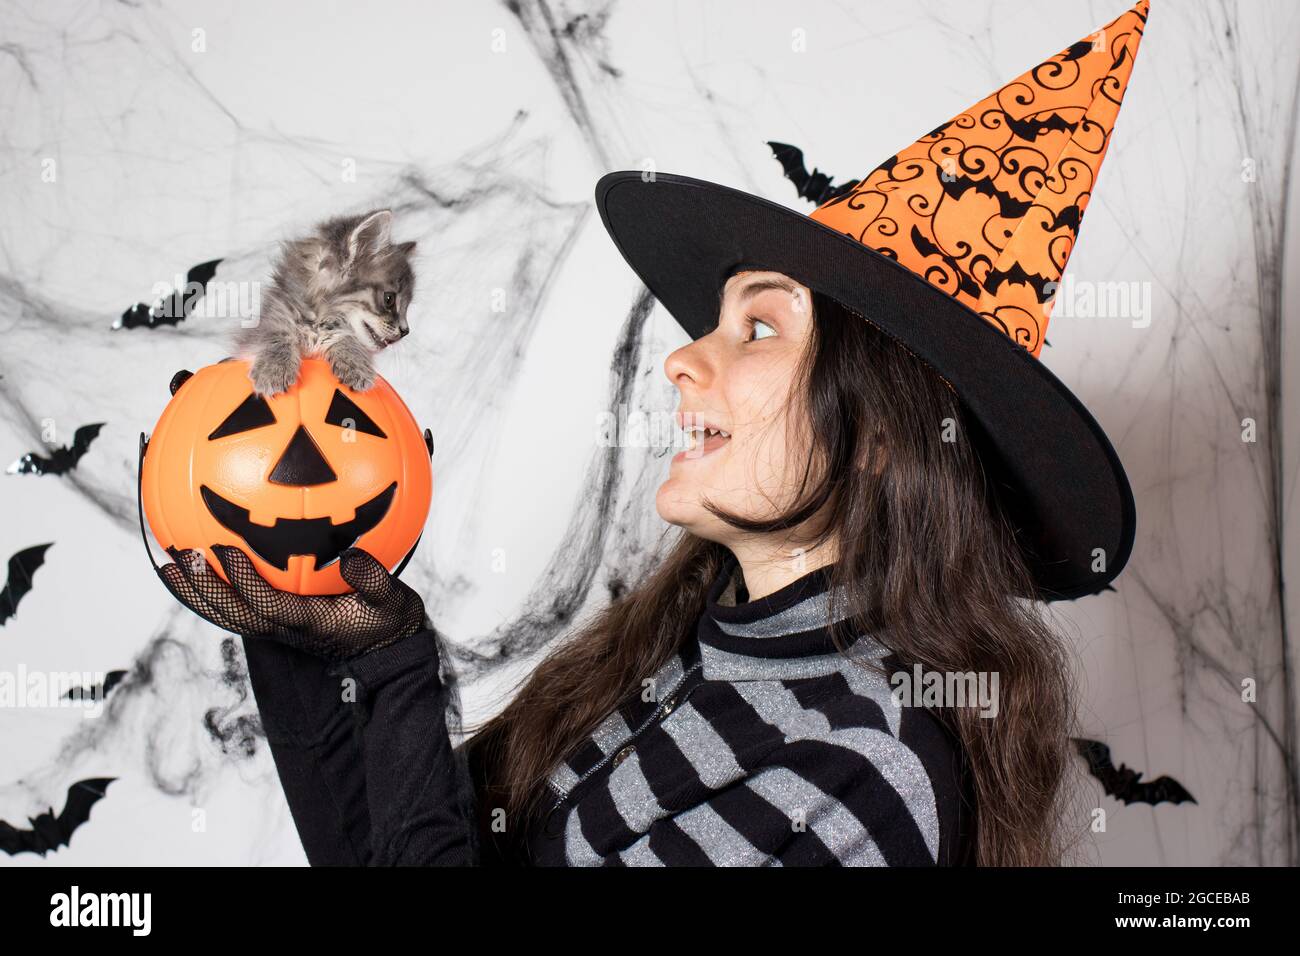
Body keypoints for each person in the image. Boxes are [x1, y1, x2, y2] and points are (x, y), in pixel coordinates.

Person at [153, 1, 1147, 866]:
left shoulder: (856, 770)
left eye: (757, 327)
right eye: (712, 322)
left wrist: (402, 662)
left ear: (886, 436)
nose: (681, 358)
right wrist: (294, 615)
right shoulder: (679, 642)